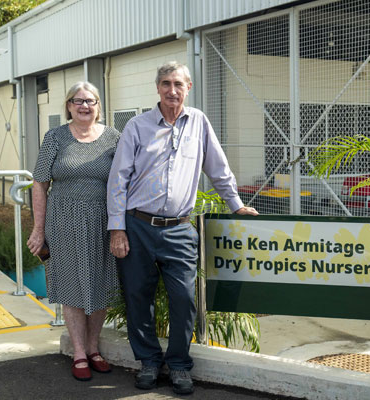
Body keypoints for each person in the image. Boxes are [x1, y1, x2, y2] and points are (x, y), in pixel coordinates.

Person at [107, 61, 258, 394]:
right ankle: (148, 362)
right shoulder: (137, 126)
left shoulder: (199, 122)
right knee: (137, 297)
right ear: (157, 88)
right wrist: (117, 229)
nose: (171, 90)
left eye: (178, 83)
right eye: (165, 83)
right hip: (137, 226)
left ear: (188, 87)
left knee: (184, 299)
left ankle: (178, 365)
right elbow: (118, 180)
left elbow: (218, 169)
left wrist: (236, 205)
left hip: (179, 229)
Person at [27, 81, 120, 381]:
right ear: (68, 105)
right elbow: (39, 183)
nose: (84, 106)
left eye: (90, 101)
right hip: (63, 221)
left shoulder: (113, 137)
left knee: (101, 284)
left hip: (102, 222)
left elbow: (123, 181)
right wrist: (38, 229)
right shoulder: (54, 137)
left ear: (98, 106)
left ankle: (94, 349)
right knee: (71, 286)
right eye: (77, 101)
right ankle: (79, 351)